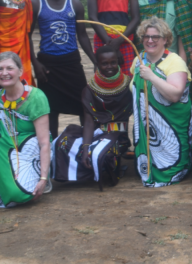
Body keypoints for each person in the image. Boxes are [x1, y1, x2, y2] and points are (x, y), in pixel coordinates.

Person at [0, 52, 51, 208]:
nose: (4, 73)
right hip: (3, 153)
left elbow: (44, 143)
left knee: (21, 195)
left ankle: (24, 180)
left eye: (9, 68)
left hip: (31, 153)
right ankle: (1, 182)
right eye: (0, 69)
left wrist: (43, 179)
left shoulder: (36, 97)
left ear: (20, 71)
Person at [51, 47, 132, 187]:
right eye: (104, 63)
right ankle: (81, 172)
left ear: (119, 62)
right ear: (97, 64)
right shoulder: (90, 89)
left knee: (104, 154)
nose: (109, 67)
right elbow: (88, 122)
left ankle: (106, 170)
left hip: (118, 134)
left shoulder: (129, 85)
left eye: (113, 62)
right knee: (61, 143)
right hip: (95, 132)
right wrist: (86, 147)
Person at [31, 0, 92, 137]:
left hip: (71, 62)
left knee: (84, 105)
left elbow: (82, 35)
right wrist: (35, 64)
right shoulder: (36, 4)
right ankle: (51, 151)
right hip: (48, 66)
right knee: (50, 110)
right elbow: (26, 35)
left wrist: (94, 60)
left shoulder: (75, 4)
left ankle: (85, 146)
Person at [131, 17, 192, 187]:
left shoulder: (175, 62)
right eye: (146, 36)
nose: (150, 40)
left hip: (171, 125)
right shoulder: (139, 59)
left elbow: (175, 95)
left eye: (155, 37)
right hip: (147, 126)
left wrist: (152, 76)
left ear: (165, 39)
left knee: (173, 162)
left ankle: (173, 170)